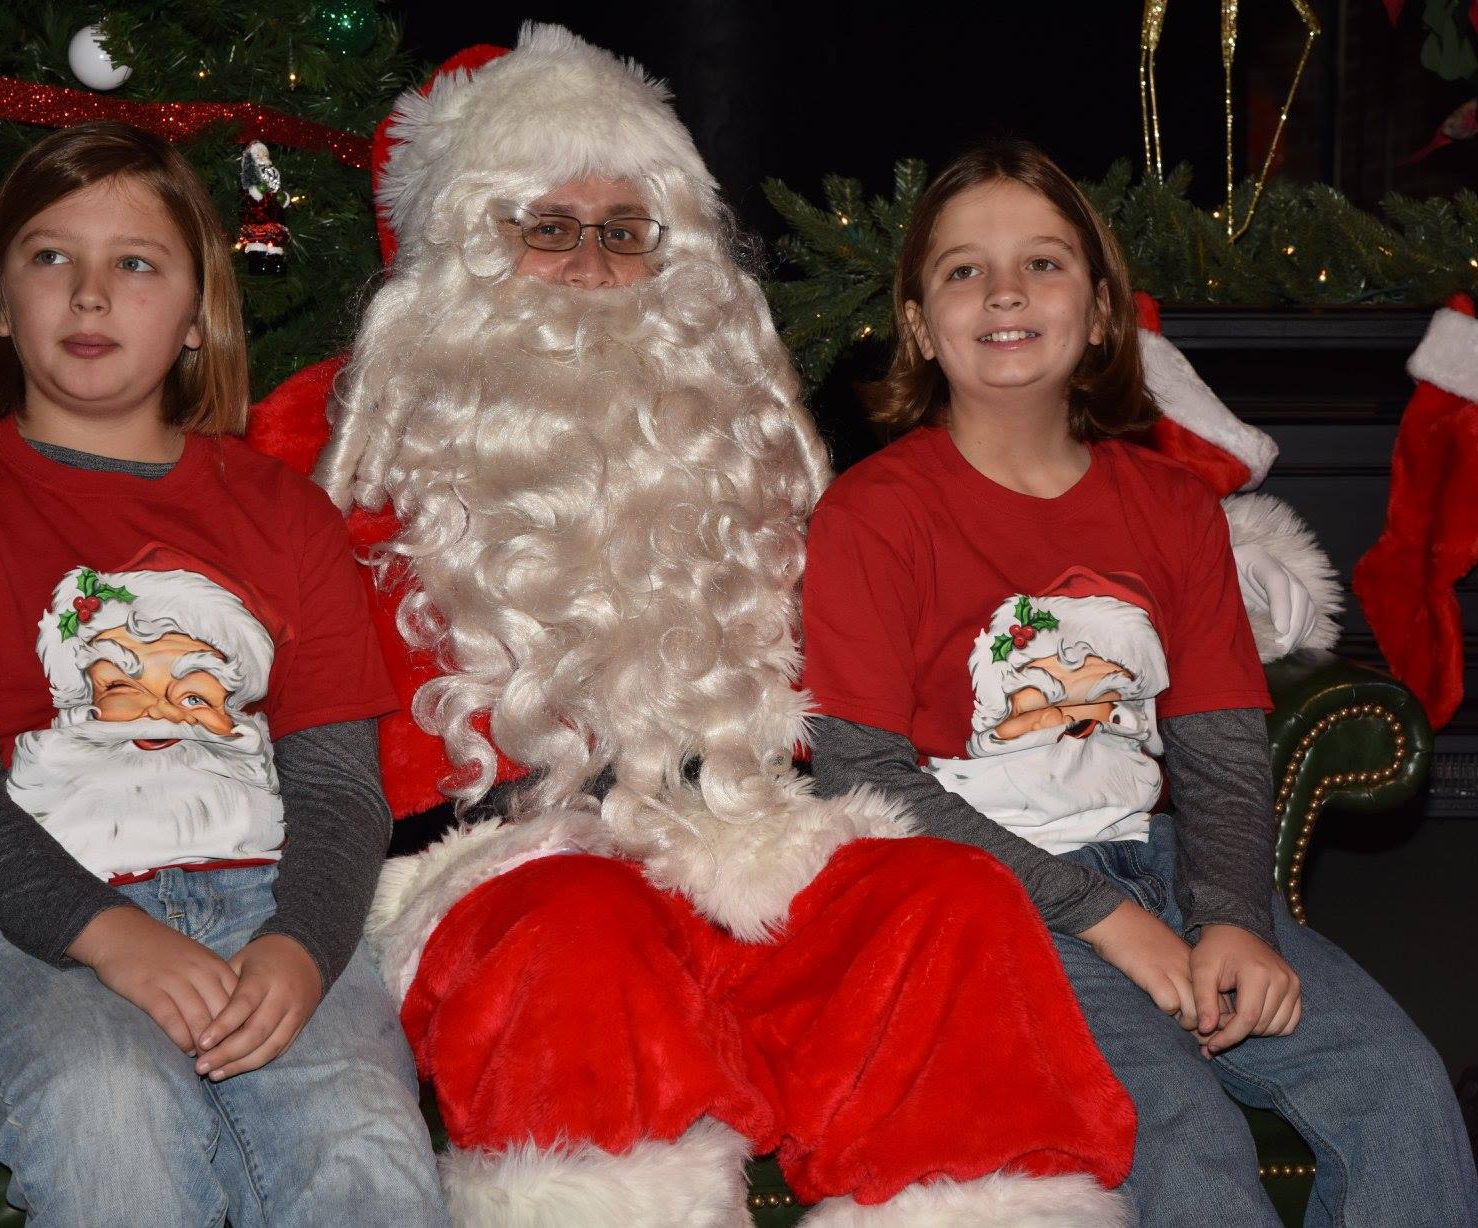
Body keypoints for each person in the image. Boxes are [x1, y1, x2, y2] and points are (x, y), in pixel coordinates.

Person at [318, 24, 1134, 1227]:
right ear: (464, 250)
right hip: (501, 868)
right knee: (576, 931)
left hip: (744, 839)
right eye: (548, 229)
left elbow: (968, 572)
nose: (593, 269)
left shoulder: (740, 444)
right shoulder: (342, 447)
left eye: (626, 231)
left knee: (943, 903)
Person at [800, 138, 1478, 1226]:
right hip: (992, 905)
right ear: (921, 326)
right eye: (963, 269)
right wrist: (1104, 923)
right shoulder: (873, 516)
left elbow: (1217, 746)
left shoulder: (1168, 507)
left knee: (1396, 1084)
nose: (1005, 291)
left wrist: (1232, 917)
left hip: (1165, 871)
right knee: (1178, 1135)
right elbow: (863, 781)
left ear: (1103, 311)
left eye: (1043, 262)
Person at [0, 122, 446, 1226]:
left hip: (272, 903)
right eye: (50, 257)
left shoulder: (284, 513)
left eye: (135, 263)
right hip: (36, 926)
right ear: (0, 295)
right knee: (105, 1105)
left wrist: (303, 951)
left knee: (362, 1144)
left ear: (197, 312)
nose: (87, 295)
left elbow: (338, 787)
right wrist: (113, 937)